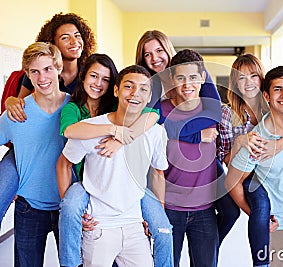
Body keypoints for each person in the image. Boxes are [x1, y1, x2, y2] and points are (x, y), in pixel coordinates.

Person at [56, 53, 171, 267]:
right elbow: (64, 162)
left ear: (149, 98)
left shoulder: (154, 132)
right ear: (116, 91)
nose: (135, 93)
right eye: (128, 86)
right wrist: (69, 205)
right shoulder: (91, 128)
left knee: (164, 233)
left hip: (135, 226)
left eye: (143, 89)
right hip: (99, 226)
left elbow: (158, 172)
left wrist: (157, 215)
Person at [136, 30, 245, 247]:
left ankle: (208, 242)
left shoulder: (193, 70)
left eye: (159, 50)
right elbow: (156, 127)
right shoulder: (151, 87)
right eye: (147, 54)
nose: (155, 58)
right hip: (167, 164)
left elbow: (213, 112)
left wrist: (190, 132)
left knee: (230, 211)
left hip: (204, 162)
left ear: (168, 50)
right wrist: (196, 135)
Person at [217, 54, 283, 266]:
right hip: (248, 172)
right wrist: (242, 143)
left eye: (253, 76)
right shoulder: (229, 114)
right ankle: (260, 258)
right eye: (241, 78)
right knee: (261, 208)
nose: (247, 83)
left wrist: (280, 145)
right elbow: (227, 158)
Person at [0, 12, 96, 228]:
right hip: (28, 144)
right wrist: (9, 102)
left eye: (77, 35)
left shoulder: (89, 73)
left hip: (68, 146)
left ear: (57, 68)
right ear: (52, 44)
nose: (73, 42)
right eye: (65, 37)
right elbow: (23, 106)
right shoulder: (37, 71)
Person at [0, 42, 70, 266]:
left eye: (48, 69)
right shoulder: (16, 113)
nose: (42, 78)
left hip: (66, 207)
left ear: (58, 68)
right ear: (27, 75)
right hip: (28, 208)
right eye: (35, 71)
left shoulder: (75, 108)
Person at [160, 49, 219, 266]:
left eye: (194, 77)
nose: (187, 84)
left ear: (203, 78)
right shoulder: (159, 112)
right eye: (181, 77)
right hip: (168, 208)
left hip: (204, 209)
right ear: (172, 79)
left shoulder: (212, 111)